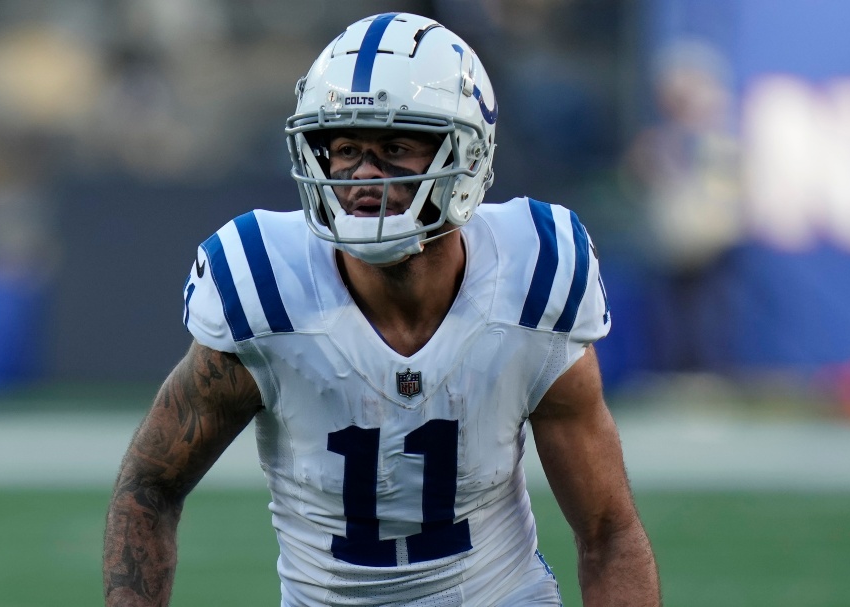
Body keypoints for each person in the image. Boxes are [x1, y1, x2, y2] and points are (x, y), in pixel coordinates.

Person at [103, 12, 660, 606]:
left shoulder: (533, 273)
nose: (363, 174)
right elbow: (150, 488)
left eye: (394, 146)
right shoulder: (265, 284)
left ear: (467, 155)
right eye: (344, 147)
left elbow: (606, 530)